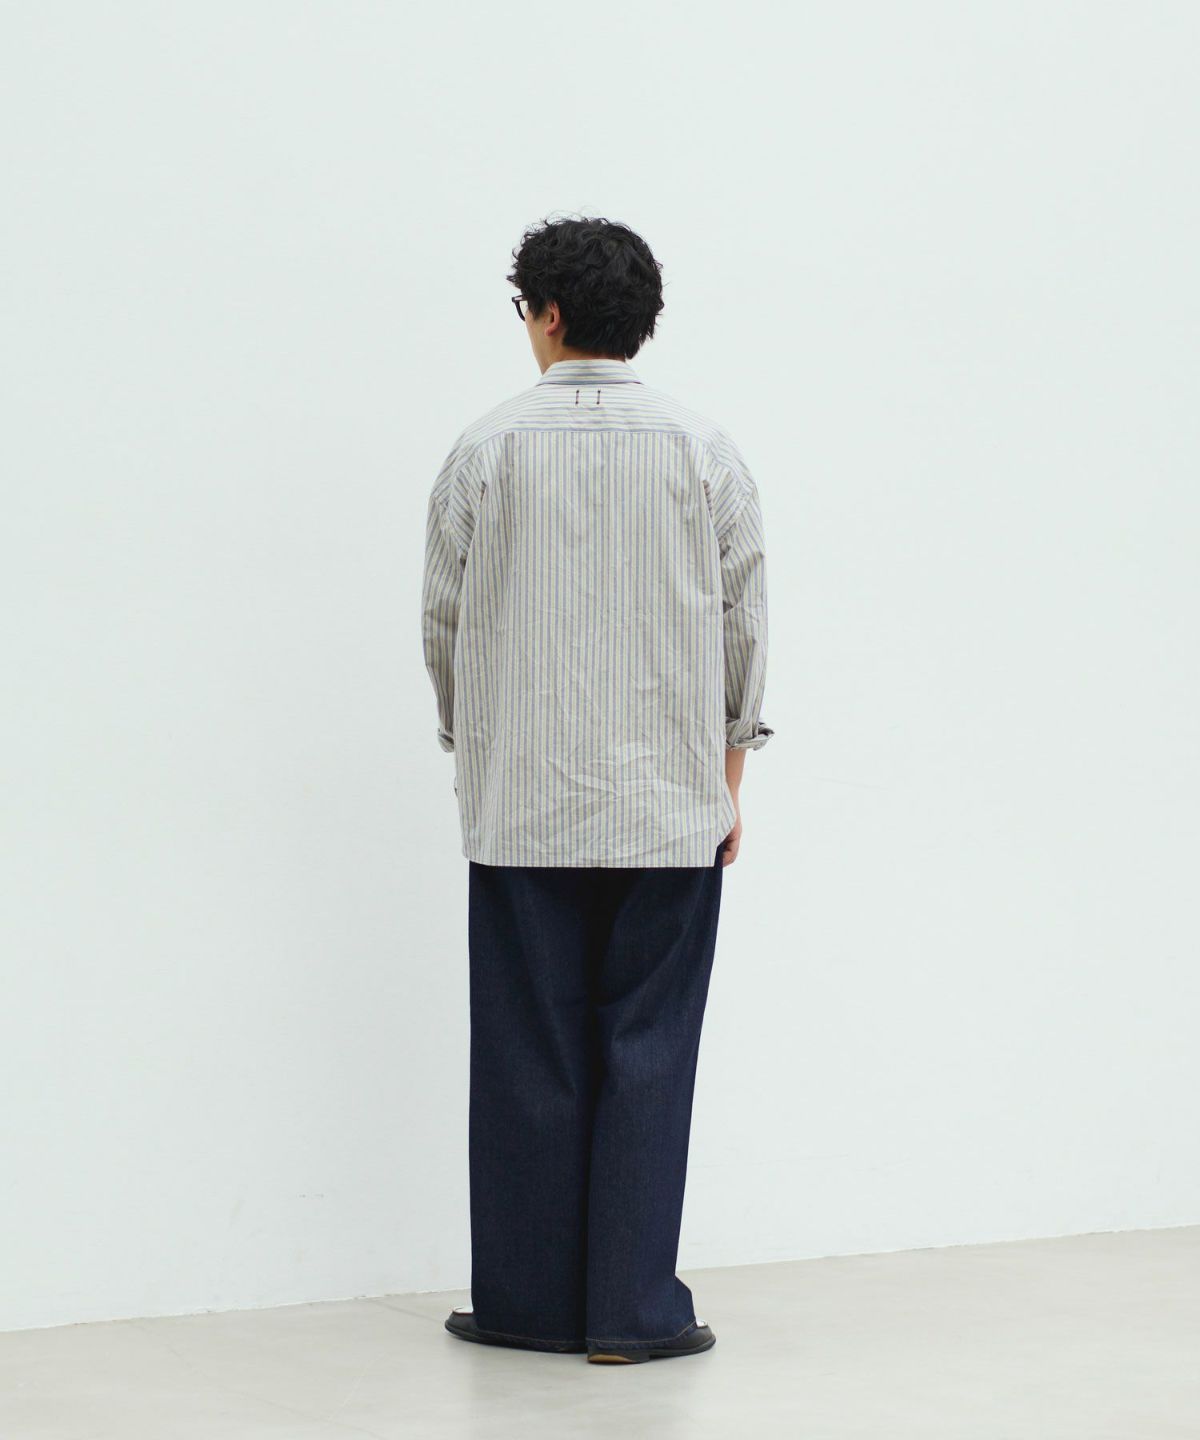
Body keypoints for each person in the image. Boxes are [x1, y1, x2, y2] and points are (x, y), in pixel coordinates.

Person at [420, 215, 773, 1365]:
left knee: (528, 1055)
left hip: (522, 805)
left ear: (550, 313)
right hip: (670, 808)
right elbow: (743, 628)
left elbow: (443, 624)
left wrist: (473, 750)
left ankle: (527, 1306)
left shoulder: (486, 449)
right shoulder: (705, 450)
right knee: (650, 1053)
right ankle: (631, 1313)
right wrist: (727, 780)